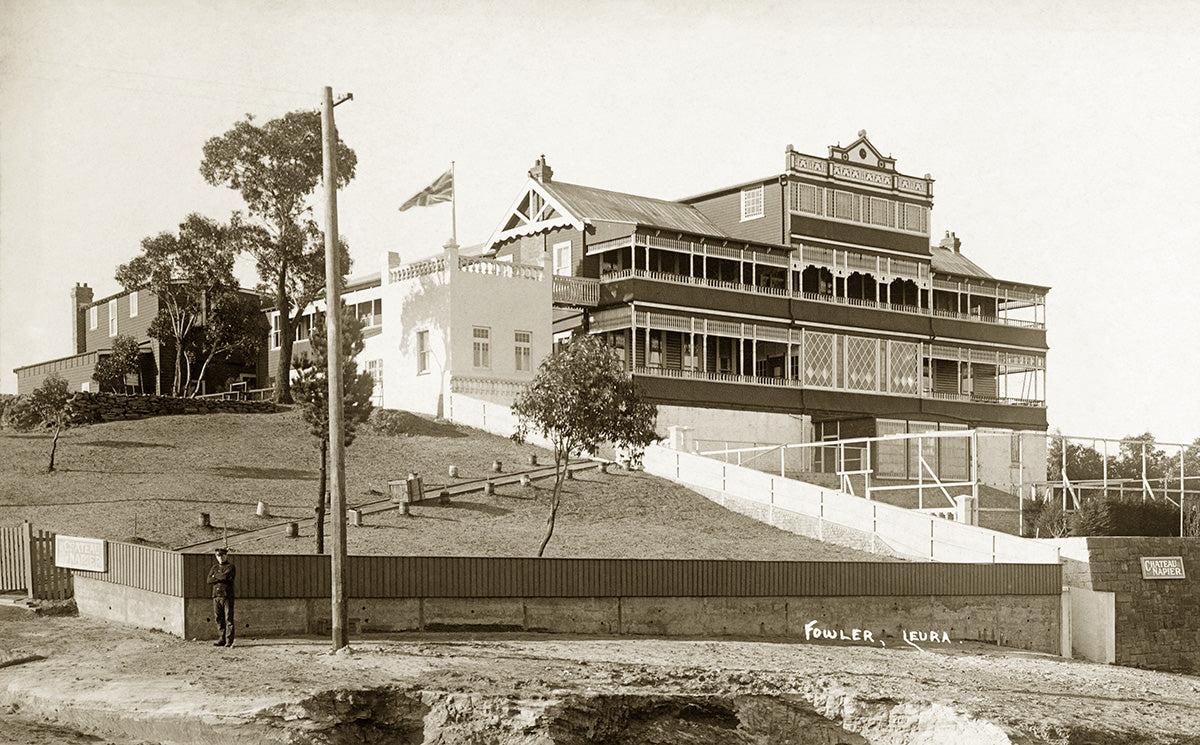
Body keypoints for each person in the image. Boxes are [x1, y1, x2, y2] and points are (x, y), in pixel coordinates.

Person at [207, 547, 236, 647]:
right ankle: (221, 638)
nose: (220, 557)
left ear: (226, 555)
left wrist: (216, 577)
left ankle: (229, 640)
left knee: (228, 618)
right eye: (218, 555)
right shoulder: (214, 567)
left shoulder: (230, 567)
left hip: (226, 596)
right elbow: (209, 580)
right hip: (216, 595)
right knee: (218, 618)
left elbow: (225, 577)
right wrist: (219, 577)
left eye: (222, 555)